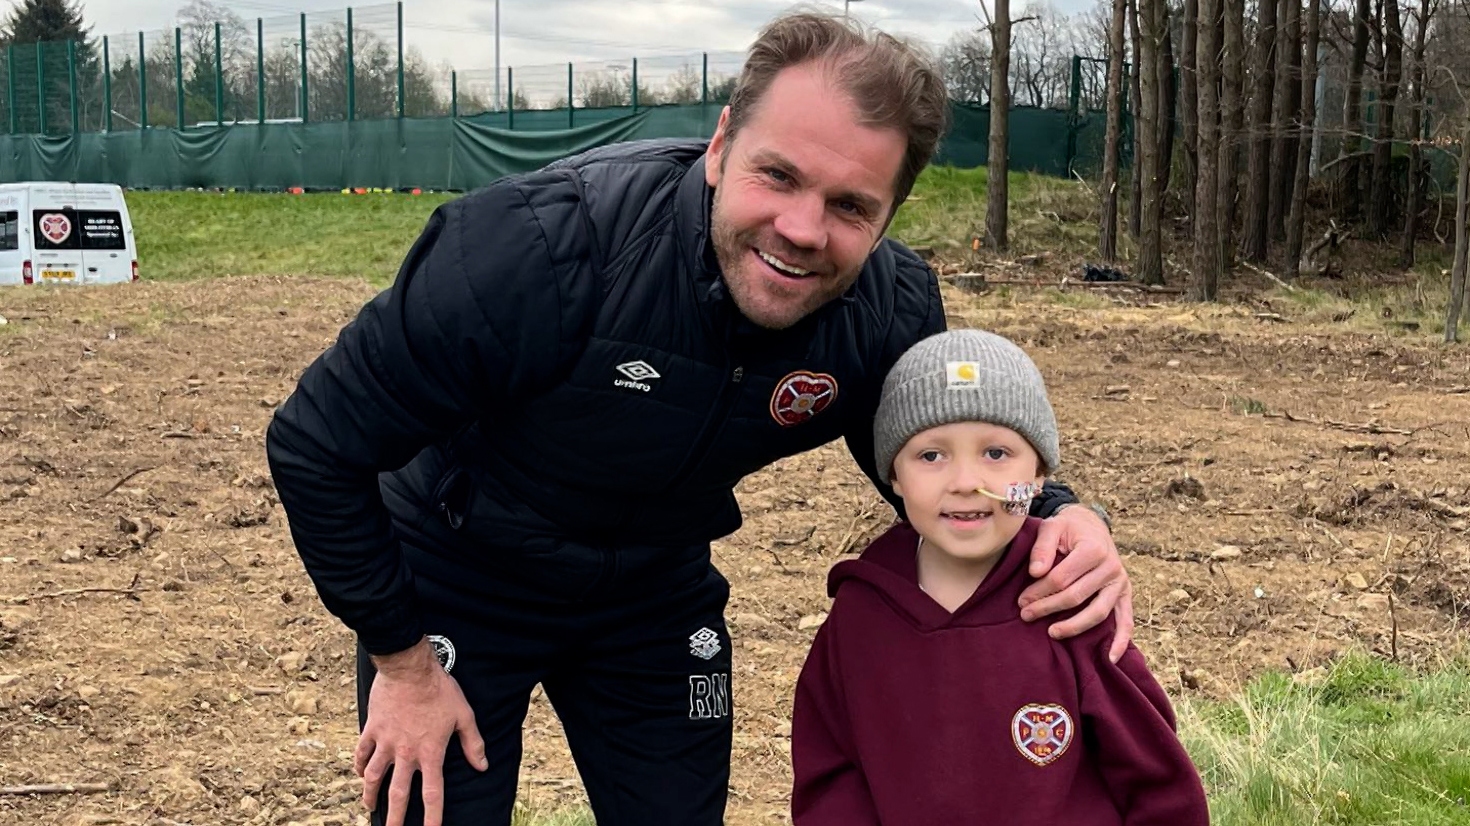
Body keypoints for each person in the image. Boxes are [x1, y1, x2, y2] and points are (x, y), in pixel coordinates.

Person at [265, 11, 1132, 826]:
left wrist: (1059, 513)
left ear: (889, 217)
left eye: (850, 207)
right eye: (779, 175)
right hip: (459, 573)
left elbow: (936, 462)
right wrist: (401, 663)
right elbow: (314, 445)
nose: (800, 229)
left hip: (652, 586)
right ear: (721, 146)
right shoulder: (538, 250)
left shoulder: (888, 309)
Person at [790, 329, 1208, 826]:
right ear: (894, 476)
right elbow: (831, 774)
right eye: (931, 456)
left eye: (996, 454)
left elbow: (1155, 778)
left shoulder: (1071, 599)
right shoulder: (859, 616)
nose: (967, 482)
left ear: (1037, 475)